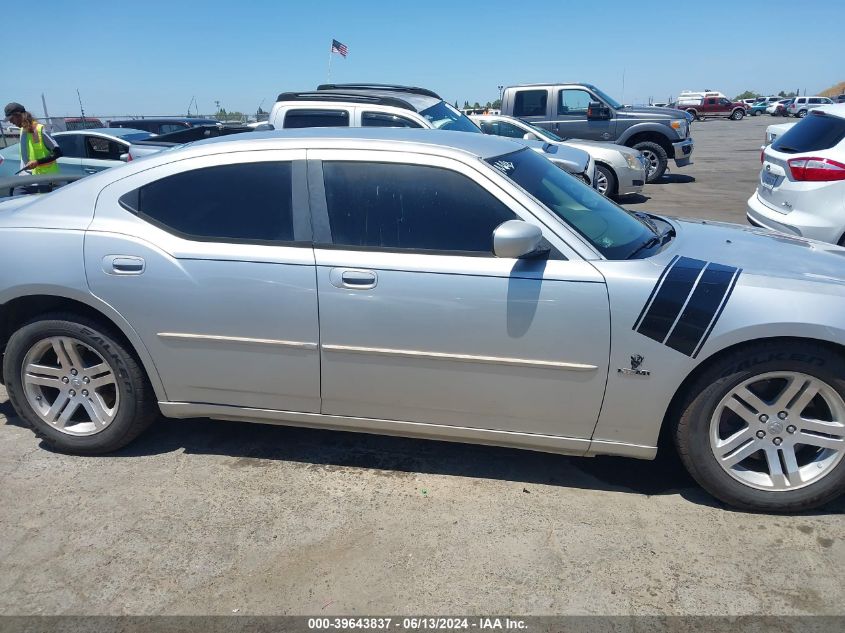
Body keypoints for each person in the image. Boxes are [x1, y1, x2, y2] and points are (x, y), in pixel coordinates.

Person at [4, 102, 62, 193]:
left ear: (19, 115)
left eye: (11, 119)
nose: (10, 122)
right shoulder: (22, 131)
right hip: (26, 180)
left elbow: (58, 152)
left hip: (43, 181)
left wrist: (37, 162)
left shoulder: (40, 130)